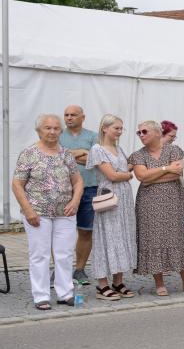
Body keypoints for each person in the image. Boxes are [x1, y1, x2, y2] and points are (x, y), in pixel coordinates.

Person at [12, 114, 83, 309]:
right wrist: (28, 210)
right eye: (47, 128)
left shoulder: (66, 154)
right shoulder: (29, 154)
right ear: (39, 131)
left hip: (65, 213)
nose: (52, 132)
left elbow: (77, 181)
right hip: (38, 213)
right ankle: (41, 295)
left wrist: (75, 201)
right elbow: (17, 184)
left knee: (65, 254)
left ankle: (65, 292)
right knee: (39, 254)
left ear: (61, 131)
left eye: (56, 128)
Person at [129, 120, 184, 297]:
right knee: (153, 239)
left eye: (144, 131)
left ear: (157, 133)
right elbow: (141, 177)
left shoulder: (174, 150)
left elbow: (176, 173)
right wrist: (166, 168)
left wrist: (153, 175)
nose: (141, 135)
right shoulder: (138, 155)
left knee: (178, 238)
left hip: (173, 202)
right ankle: (159, 283)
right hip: (148, 204)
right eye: (138, 133)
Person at [87, 114, 138, 301]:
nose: (119, 131)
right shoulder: (97, 149)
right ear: (105, 128)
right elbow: (112, 175)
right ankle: (102, 285)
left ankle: (118, 280)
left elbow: (125, 168)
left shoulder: (119, 148)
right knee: (107, 238)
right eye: (116, 127)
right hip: (109, 197)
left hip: (124, 199)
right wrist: (127, 175)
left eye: (121, 128)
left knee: (123, 236)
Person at [60, 104, 98, 287]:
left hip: (90, 188)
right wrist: (83, 153)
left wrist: (68, 155)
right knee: (60, 232)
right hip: (62, 190)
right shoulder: (57, 135)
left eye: (73, 115)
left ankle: (80, 268)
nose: (69, 118)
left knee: (86, 230)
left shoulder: (93, 136)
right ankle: (60, 270)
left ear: (83, 117)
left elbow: (96, 159)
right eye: (66, 115)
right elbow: (55, 158)